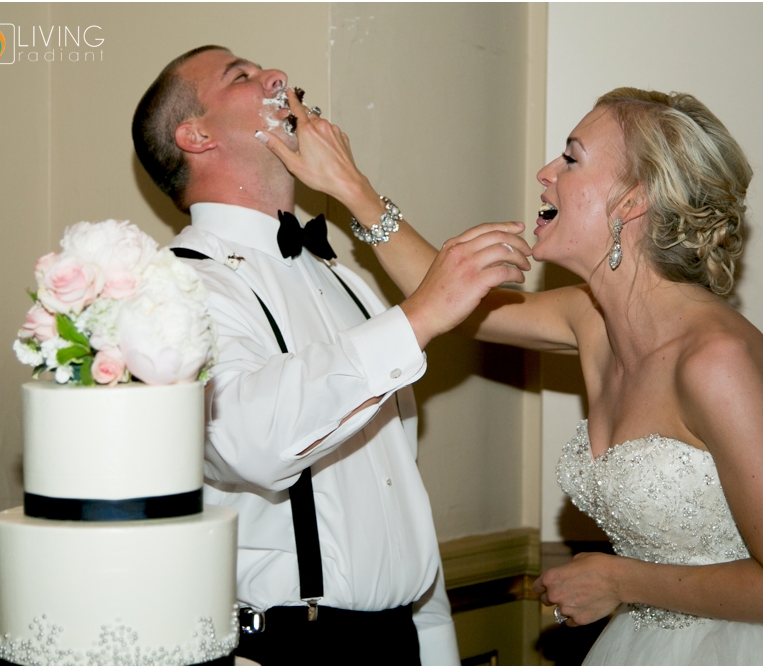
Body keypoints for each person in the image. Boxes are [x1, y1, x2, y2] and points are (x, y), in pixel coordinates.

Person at [256, 88, 763, 664]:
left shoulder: (716, 359)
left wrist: (620, 578)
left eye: (572, 159)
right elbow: (456, 303)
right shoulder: (591, 318)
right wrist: (349, 186)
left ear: (632, 202)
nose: (545, 172)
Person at [131, 45, 531, 666]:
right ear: (196, 134)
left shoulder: (346, 279)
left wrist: (435, 646)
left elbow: (396, 485)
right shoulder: (173, 287)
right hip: (289, 647)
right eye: (242, 76)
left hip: (399, 637)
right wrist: (422, 314)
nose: (277, 78)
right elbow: (247, 440)